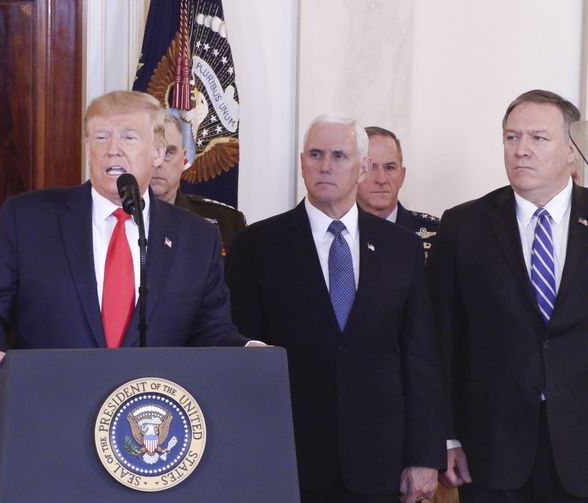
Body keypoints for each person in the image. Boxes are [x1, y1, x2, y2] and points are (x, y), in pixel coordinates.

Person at [0, 90, 252, 406]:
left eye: (129, 137)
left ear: (157, 152)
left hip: (149, 420)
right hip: (49, 408)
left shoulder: (196, 237)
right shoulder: (27, 219)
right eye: (101, 137)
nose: (113, 150)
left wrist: (249, 352)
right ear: (87, 148)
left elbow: (210, 330)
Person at [226, 113, 446, 503]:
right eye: (315, 154)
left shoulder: (401, 247)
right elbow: (241, 358)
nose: (325, 166)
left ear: (362, 168)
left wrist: (424, 455)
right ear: (302, 163)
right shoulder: (256, 245)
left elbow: (420, 357)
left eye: (339, 156)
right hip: (288, 458)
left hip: (379, 460)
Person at [429, 89, 588, 501]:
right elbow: (440, 339)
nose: (521, 150)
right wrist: (445, 436)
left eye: (538, 138)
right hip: (492, 448)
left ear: (571, 150)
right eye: (512, 137)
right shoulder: (463, 226)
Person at [151, 111, 246, 256]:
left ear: (183, 160)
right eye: (151, 153)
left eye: (168, 153)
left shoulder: (226, 221)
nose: (158, 163)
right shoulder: (116, 219)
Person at [356, 126, 439, 261]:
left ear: (402, 175)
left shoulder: (435, 234)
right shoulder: (338, 236)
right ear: (353, 173)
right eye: (371, 168)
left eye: (390, 168)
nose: (381, 180)